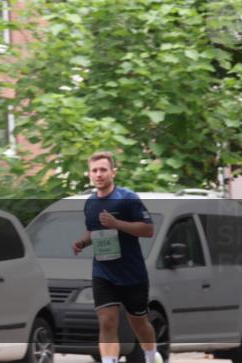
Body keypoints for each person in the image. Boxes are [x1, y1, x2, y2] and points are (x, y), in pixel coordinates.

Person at [72, 151, 163, 363]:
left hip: (132, 273)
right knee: (107, 321)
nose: (99, 174)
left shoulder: (128, 199)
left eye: (103, 169)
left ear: (113, 172)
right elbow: (92, 230)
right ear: (89, 174)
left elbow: (148, 230)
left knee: (139, 322)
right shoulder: (90, 203)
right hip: (103, 272)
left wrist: (117, 224)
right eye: (94, 170)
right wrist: (82, 242)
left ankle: (151, 355)